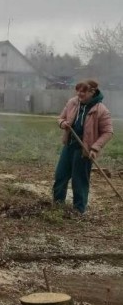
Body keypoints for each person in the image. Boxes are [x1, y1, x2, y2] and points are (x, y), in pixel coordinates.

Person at [53, 78, 113, 215]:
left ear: (92, 92)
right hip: (69, 145)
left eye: (83, 92)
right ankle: (57, 206)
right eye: (78, 91)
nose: (79, 94)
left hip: (84, 150)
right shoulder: (72, 103)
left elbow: (108, 132)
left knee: (79, 181)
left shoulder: (101, 110)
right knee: (60, 176)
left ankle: (78, 211)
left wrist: (95, 148)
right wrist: (63, 124)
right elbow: (60, 118)